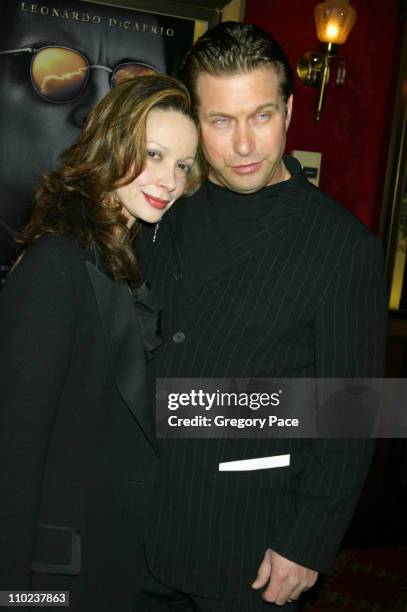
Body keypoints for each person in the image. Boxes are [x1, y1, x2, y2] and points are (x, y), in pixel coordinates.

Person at [138, 22, 388, 611]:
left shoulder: (342, 246)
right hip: (133, 526)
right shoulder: (162, 207)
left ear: (290, 109)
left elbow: (352, 409)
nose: (244, 145)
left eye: (262, 116)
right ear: (194, 121)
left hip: (248, 543)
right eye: (221, 121)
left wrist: (309, 541)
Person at [0, 74, 201, 610]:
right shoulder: (55, 266)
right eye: (153, 155)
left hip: (121, 564)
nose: (170, 180)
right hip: (55, 575)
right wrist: (17, 598)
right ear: (112, 145)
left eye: (183, 165)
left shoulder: (124, 260)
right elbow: (13, 455)